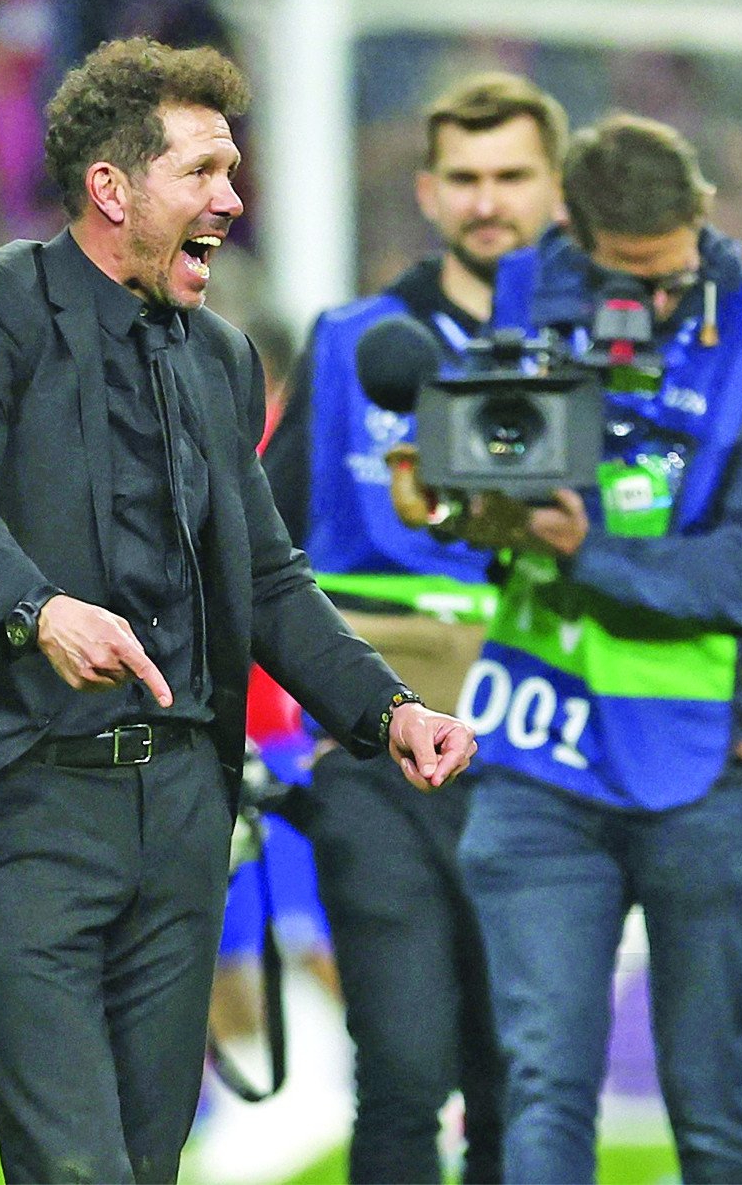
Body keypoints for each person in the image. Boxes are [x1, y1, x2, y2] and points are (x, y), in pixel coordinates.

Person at [0, 38, 478, 1183]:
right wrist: (40, 611)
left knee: (146, 1167)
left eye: (232, 171)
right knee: (77, 1169)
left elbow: (271, 580)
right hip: (23, 800)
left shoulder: (222, 360)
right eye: (201, 171)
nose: (230, 199)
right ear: (111, 187)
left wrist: (386, 711)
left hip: (184, 813)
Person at [443, 115, 742, 1184]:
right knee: (540, 1080)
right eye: (631, 275)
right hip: (542, 752)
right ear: (578, 234)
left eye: (671, 274)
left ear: (703, 219)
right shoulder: (527, 291)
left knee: (706, 1091)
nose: (654, 300)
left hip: (711, 761)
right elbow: (486, 465)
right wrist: (461, 500)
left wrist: (594, 553)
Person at [260, 71, 567, 1185]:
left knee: (520, 1080)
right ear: (429, 194)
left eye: (512, 177)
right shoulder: (351, 345)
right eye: (467, 179)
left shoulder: (606, 354)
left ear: (555, 191)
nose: (489, 201)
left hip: (549, 771)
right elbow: (260, 543)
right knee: (400, 1069)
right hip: (380, 761)